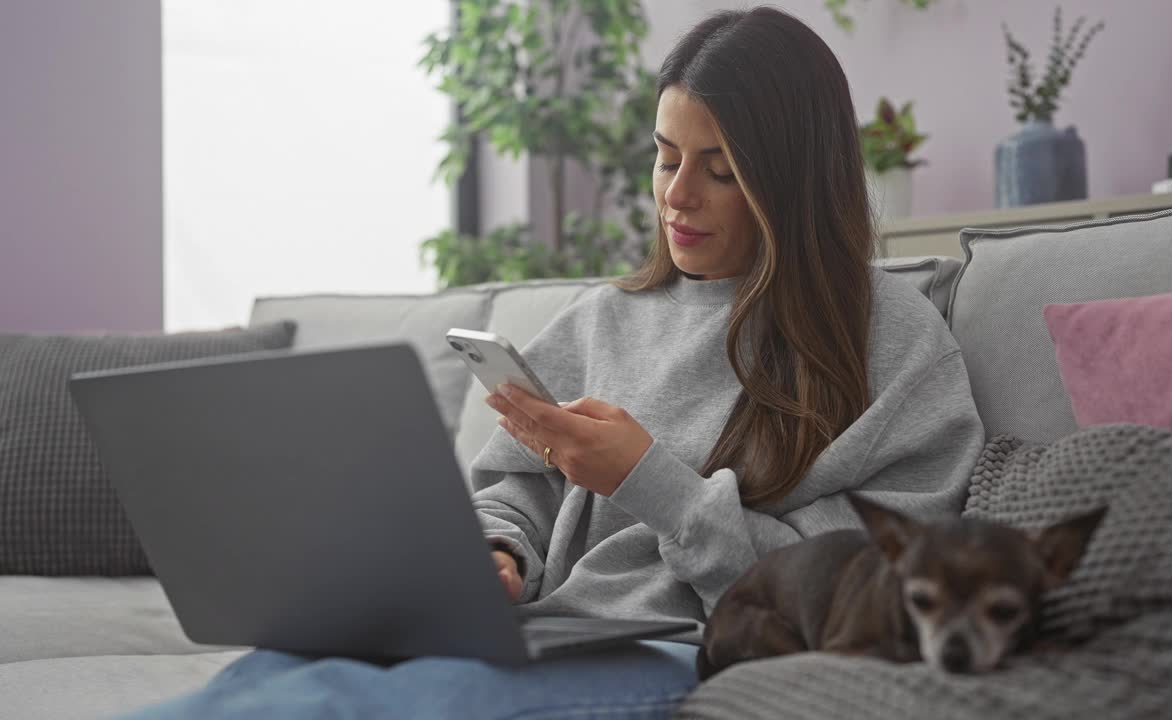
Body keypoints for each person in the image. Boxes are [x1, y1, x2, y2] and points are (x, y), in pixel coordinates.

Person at [121, 6, 984, 719]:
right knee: (272, 676)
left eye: (719, 170)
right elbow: (515, 484)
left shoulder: (890, 346)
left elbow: (860, 592)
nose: (676, 196)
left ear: (794, 181)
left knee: (344, 706)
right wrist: (498, 551)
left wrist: (649, 478)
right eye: (665, 155)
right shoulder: (606, 318)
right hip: (546, 632)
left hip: (684, 654)